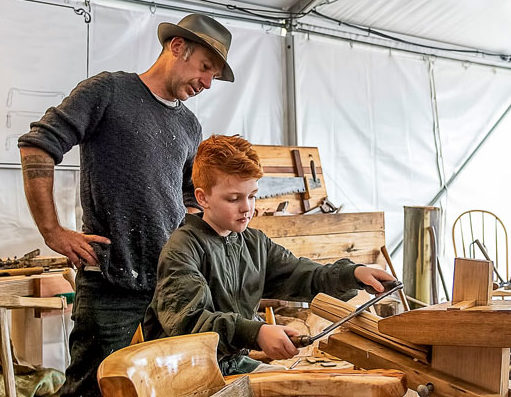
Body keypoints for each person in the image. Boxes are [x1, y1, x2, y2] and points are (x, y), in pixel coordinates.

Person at [17, 14, 234, 396]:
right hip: (111, 279)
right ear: (177, 47)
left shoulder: (190, 127)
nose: (206, 83)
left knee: (165, 385)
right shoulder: (108, 91)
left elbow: (190, 198)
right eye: (204, 68)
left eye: (213, 76)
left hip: (169, 283)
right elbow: (38, 145)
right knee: (92, 386)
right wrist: (52, 231)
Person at [143, 135, 395, 375]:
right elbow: (190, 323)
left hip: (231, 364)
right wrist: (257, 333)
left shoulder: (254, 244)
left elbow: (303, 275)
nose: (247, 208)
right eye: (234, 198)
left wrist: (352, 275)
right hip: (181, 371)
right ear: (202, 198)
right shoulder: (182, 248)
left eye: (252, 196)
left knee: (300, 385)